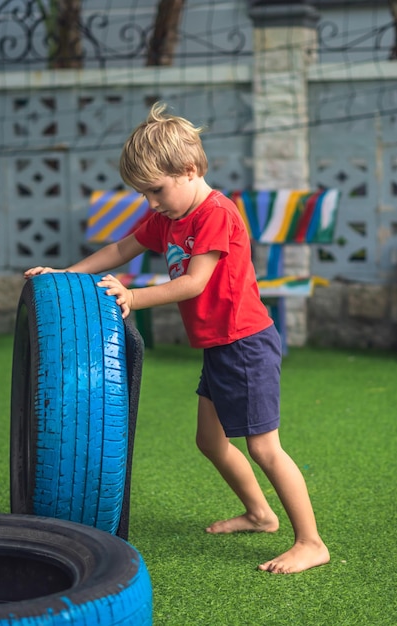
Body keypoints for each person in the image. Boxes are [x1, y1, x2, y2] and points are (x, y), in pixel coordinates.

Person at [25, 102, 330, 574]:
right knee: (210, 441)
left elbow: (195, 282)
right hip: (220, 345)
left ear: (188, 171)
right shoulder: (170, 217)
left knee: (264, 446)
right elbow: (122, 247)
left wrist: (133, 296)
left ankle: (311, 541)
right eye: (143, 194)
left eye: (156, 191)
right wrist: (66, 273)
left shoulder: (216, 214)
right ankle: (260, 514)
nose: (151, 203)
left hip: (246, 343)